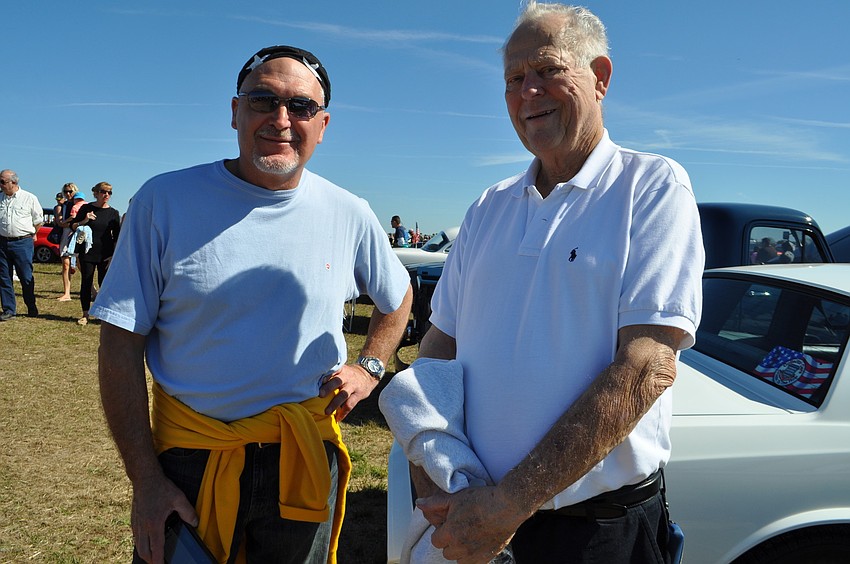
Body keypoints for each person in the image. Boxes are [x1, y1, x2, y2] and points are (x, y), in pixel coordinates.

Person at [92, 44, 412, 564]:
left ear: (323, 124)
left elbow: (397, 297)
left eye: (301, 106)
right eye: (263, 100)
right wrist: (146, 480)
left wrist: (370, 365)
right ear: (235, 111)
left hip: (304, 452)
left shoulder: (348, 211)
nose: (281, 119)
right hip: (191, 456)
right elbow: (119, 345)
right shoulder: (164, 201)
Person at [409, 4, 704, 563]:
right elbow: (437, 354)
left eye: (548, 70)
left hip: (594, 535)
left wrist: (508, 505)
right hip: (472, 515)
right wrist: (432, 483)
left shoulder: (651, 187)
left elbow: (647, 364)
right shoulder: (489, 207)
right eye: (514, 79)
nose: (529, 92)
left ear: (600, 77)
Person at [69, 182, 120, 325]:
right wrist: (85, 220)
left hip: (106, 254)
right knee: (86, 282)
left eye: (109, 192)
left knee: (104, 285)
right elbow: (73, 226)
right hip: (87, 252)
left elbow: (117, 237)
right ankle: (85, 314)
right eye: (103, 192)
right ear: (96, 193)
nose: (107, 195)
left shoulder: (113, 213)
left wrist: (113, 256)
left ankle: (103, 315)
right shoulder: (86, 208)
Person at [0, 169, 43, 321]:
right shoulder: (0, 198)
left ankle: (31, 306)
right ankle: (9, 310)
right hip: (2, 242)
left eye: (2, 182)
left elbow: (38, 221)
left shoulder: (29, 198)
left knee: (25, 276)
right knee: (4, 277)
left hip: (22, 242)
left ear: (13, 182)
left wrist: (31, 234)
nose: (1, 185)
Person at [56, 183, 85, 301]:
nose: (68, 194)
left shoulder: (81, 204)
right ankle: (66, 293)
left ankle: (92, 290)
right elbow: (60, 223)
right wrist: (70, 222)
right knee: (66, 264)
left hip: (78, 234)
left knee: (81, 264)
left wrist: (70, 223)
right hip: (66, 235)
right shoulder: (62, 206)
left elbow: (82, 220)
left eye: (70, 191)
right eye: (66, 191)